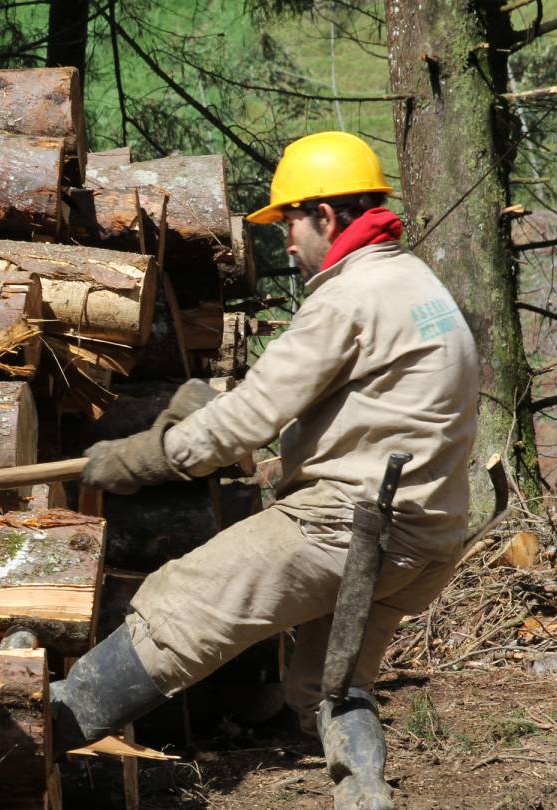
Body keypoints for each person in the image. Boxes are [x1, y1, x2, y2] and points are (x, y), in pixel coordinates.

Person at [51, 131, 479, 809]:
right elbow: (375, 415)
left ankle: (41, 729)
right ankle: (366, 797)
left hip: (347, 528)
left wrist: (140, 458)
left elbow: (250, 418)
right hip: (426, 539)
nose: (285, 242)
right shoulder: (418, 285)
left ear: (326, 218)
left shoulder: (347, 296)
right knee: (329, 687)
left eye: (288, 223)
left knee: (176, 606)